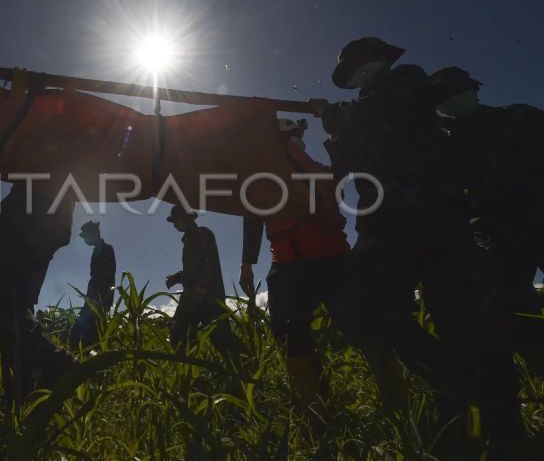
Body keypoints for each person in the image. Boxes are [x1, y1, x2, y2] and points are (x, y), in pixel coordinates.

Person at [312, 38, 527, 454]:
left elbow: (380, 113)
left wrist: (333, 114)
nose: (359, 74)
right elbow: (345, 165)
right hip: (384, 226)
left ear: (381, 61)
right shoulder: (358, 111)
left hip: (437, 220)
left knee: (469, 324)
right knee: (367, 310)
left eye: (362, 64)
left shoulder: (406, 83)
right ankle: (454, 387)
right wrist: (335, 130)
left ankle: (502, 432)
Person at [427, 67, 544, 370]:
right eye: (444, 96)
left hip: (536, 216)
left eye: (459, 90)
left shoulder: (521, 116)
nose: (454, 98)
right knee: (515, 304)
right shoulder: (444, 143)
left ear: (474, 90)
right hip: (497, 232)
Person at [239, 118, 352, 413]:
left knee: (292, 332)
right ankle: (319, 406)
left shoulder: (267, 172)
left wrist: (247, 264)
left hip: (302, 261)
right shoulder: (314, 170)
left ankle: (315, 408)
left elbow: (253, 215)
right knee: (359, 326)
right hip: (324, 259)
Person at [0, 183, 78, 404]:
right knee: (14, 306)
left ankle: (54, 361)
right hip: (47, 216)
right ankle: (22, 404)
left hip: (34, 210)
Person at [165, 205, 238, 355]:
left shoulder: (203, 234)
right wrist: (178, 277)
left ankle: (247, 365)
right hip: (193, 296)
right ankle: (189, 365)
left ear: (186, 218)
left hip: (208, 297)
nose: (174, 225)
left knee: (222, 338)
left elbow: (209, 266)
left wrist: (199, 292)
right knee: (179, 334)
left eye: (176, 220)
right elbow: (193, 270)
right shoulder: (189, 241)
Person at [69, 220, 116, 348]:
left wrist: (102, 297)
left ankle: (88, 353)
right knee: (87, 329)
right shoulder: (96, 253)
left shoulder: (107, 249)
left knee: (87, 329)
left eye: (86, 236)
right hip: (93, 296)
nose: (85, 240)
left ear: (93, 234)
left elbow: (108, 275)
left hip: (100, 296)